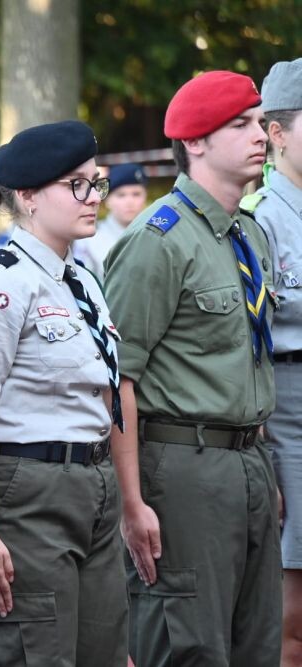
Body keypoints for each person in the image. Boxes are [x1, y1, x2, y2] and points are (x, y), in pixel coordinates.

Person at [104, 70, 282, 667]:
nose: (261, 135)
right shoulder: (159, 239)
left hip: (249, 458)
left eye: (260, 122)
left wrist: (263, 471)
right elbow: (117, 380)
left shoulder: (249, 236)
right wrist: (131, 502)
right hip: (182, 467)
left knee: (257, 641)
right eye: (242, 125)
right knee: (190, 644)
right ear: (196, 142)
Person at [0, 120, 128, 666]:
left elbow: (109, 392)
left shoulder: (81, 280)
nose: (91, 197)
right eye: (76, 184)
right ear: (27, 197)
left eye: (94, 183)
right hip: (28, 494)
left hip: (93, 485)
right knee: (34, 651)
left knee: (102, 650)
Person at [244, 57, 302, 666]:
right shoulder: (263, 216)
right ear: (278, 133)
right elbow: (254, 330)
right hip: (288, 402)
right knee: (294, 595)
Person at [72, 163, 148, 280]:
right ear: (107, 200)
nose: (129, 202)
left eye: (136, 194)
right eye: (121, 195)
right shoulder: (89, 240)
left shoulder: (155, 235)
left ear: (145, 197)